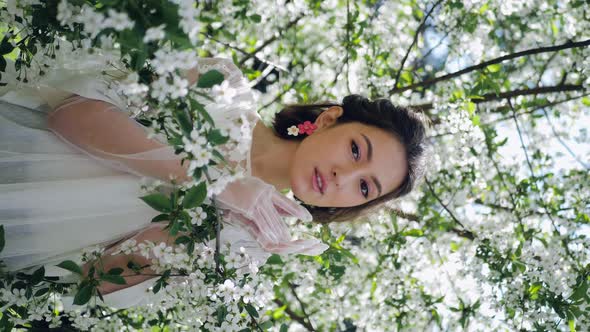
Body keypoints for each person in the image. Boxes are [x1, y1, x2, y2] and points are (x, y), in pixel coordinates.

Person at [0, 55, 427, 308]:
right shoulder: (221, 91)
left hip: (19, 236)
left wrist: (214, 230)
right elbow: (72, 115)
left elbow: (94, 279)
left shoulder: (247, 243)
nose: (343, 176)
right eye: (356, 150)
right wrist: (218, 183)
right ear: (329, 118)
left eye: (364, 187)